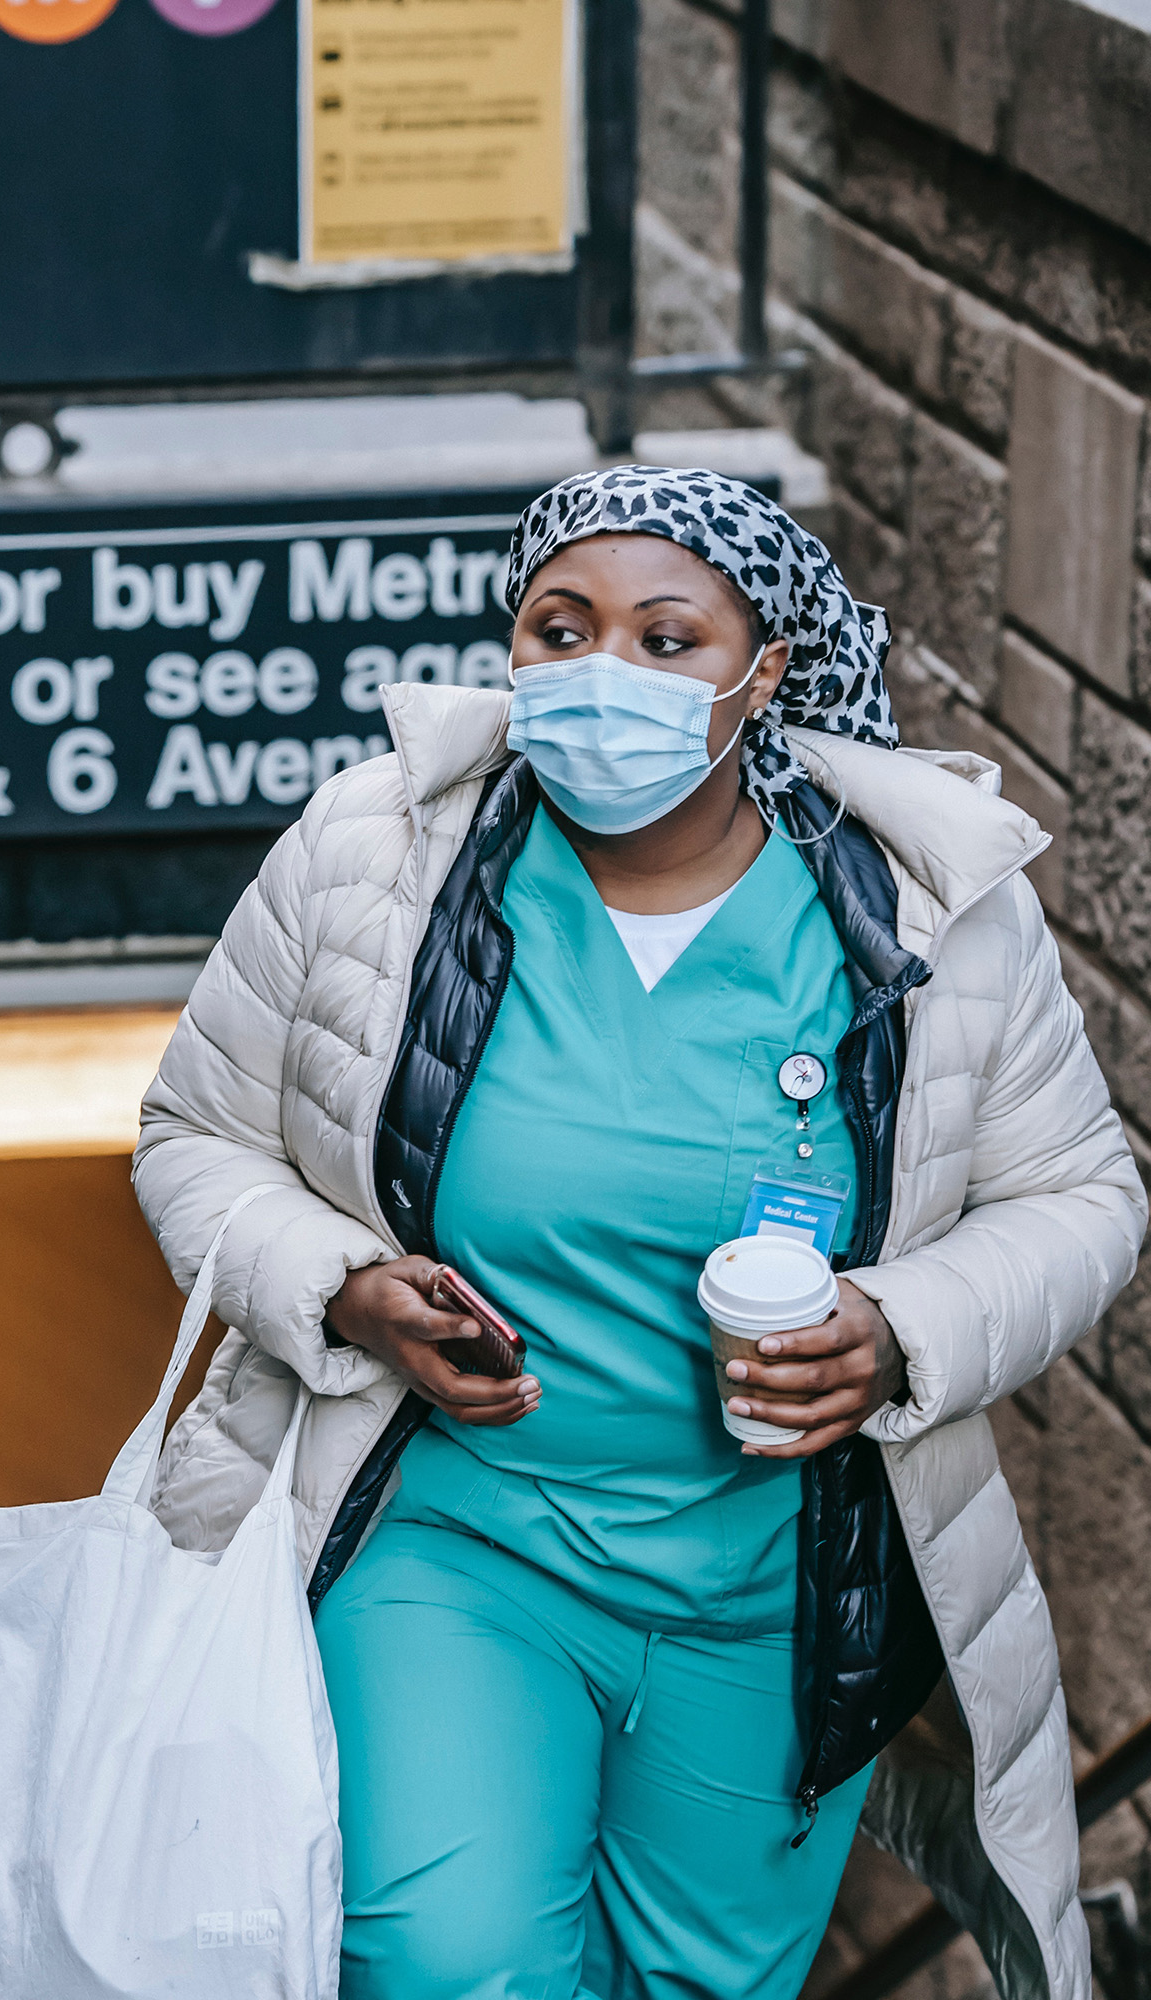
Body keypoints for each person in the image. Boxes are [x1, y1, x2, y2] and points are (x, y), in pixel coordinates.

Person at [133, 466, 1147, 2000]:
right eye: (561, 628)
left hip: (775, 1594)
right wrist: (341, 1290)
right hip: (459, 1542)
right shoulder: (372, 855)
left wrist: (902, 1333)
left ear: (765, 672)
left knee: (707, 1984)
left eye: (667, 639)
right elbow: (194, 1136)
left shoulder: (931, 913)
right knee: (448, 1963)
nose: (604, 672)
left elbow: (1084, 1199)